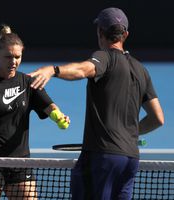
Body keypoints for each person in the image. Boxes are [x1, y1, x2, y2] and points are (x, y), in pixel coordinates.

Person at [28, 7, 164, 200]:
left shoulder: (104, 57)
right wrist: (130, 134)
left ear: (100, 32)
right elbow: (158, 118)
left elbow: (83, 70)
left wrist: (53, 70)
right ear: (125, 34)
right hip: (130, 159)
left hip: (102, 158)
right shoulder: (142, 70)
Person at [0, 25, 70, 199]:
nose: (13, 61)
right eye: (8, 57)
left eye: (17, 57)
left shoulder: (28, 82)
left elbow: (48, 106)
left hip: (20, 162)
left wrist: (58, 116)